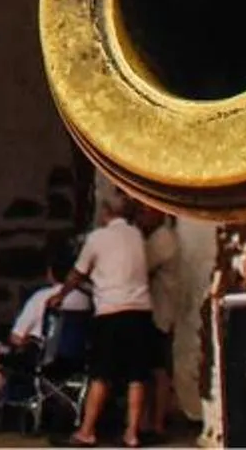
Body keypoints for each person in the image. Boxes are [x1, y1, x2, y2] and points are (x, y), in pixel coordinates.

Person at [63, 192, 159, 449]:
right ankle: (132, 433)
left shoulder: (97, 238)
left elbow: (77, 273)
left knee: (101, 373)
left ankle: (87, 431)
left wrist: (61, 293)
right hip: (140, 310)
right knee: (137, 374)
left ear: (105, 213)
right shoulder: (137, 236)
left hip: (111, 311)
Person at [0, 242, 86, 396]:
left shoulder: (42, 297)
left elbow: (16, 337)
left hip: (43, 359)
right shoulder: (86, 299)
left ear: (51, 272)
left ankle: (9, 398)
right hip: (76, 359)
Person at [137, 205, 182, 440]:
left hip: (159, 313)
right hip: (160, 311)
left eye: (145, 212)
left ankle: (156, 423)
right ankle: (151, 421)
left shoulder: (161, 239)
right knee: (155, 369)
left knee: (158, 370)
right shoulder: (161, 237)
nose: (141, 217)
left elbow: (140, 266)